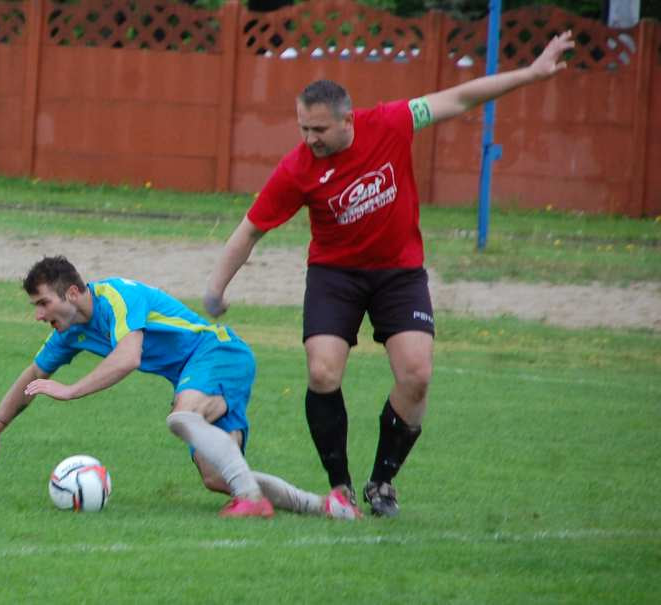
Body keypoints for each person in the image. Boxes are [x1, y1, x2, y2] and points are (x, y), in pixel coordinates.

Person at [204, 32, 575, 517]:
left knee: (417, 375)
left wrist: (532, 72)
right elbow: (249, 230)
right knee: (321, 371)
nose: (310, 139)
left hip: (399, 273)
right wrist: (215, 289)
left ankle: (382, 483)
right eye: (303, 129)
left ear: (348, 120)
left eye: (319, 129)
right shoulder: (298, 169)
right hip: (335, 274)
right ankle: (341, 488)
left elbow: (461, 98)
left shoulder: (394, 121)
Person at [0, 255, 360, 520]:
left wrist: (70, 390)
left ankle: (252, 500)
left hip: (218, 351)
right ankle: (326, 507)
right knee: (218, 477)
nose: (39, 314)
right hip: (198, 370)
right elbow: (31, 376)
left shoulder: (117, 297)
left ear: (73, 292)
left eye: (42, 303)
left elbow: (129, 356)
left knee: (182, 416)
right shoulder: (68, 334)